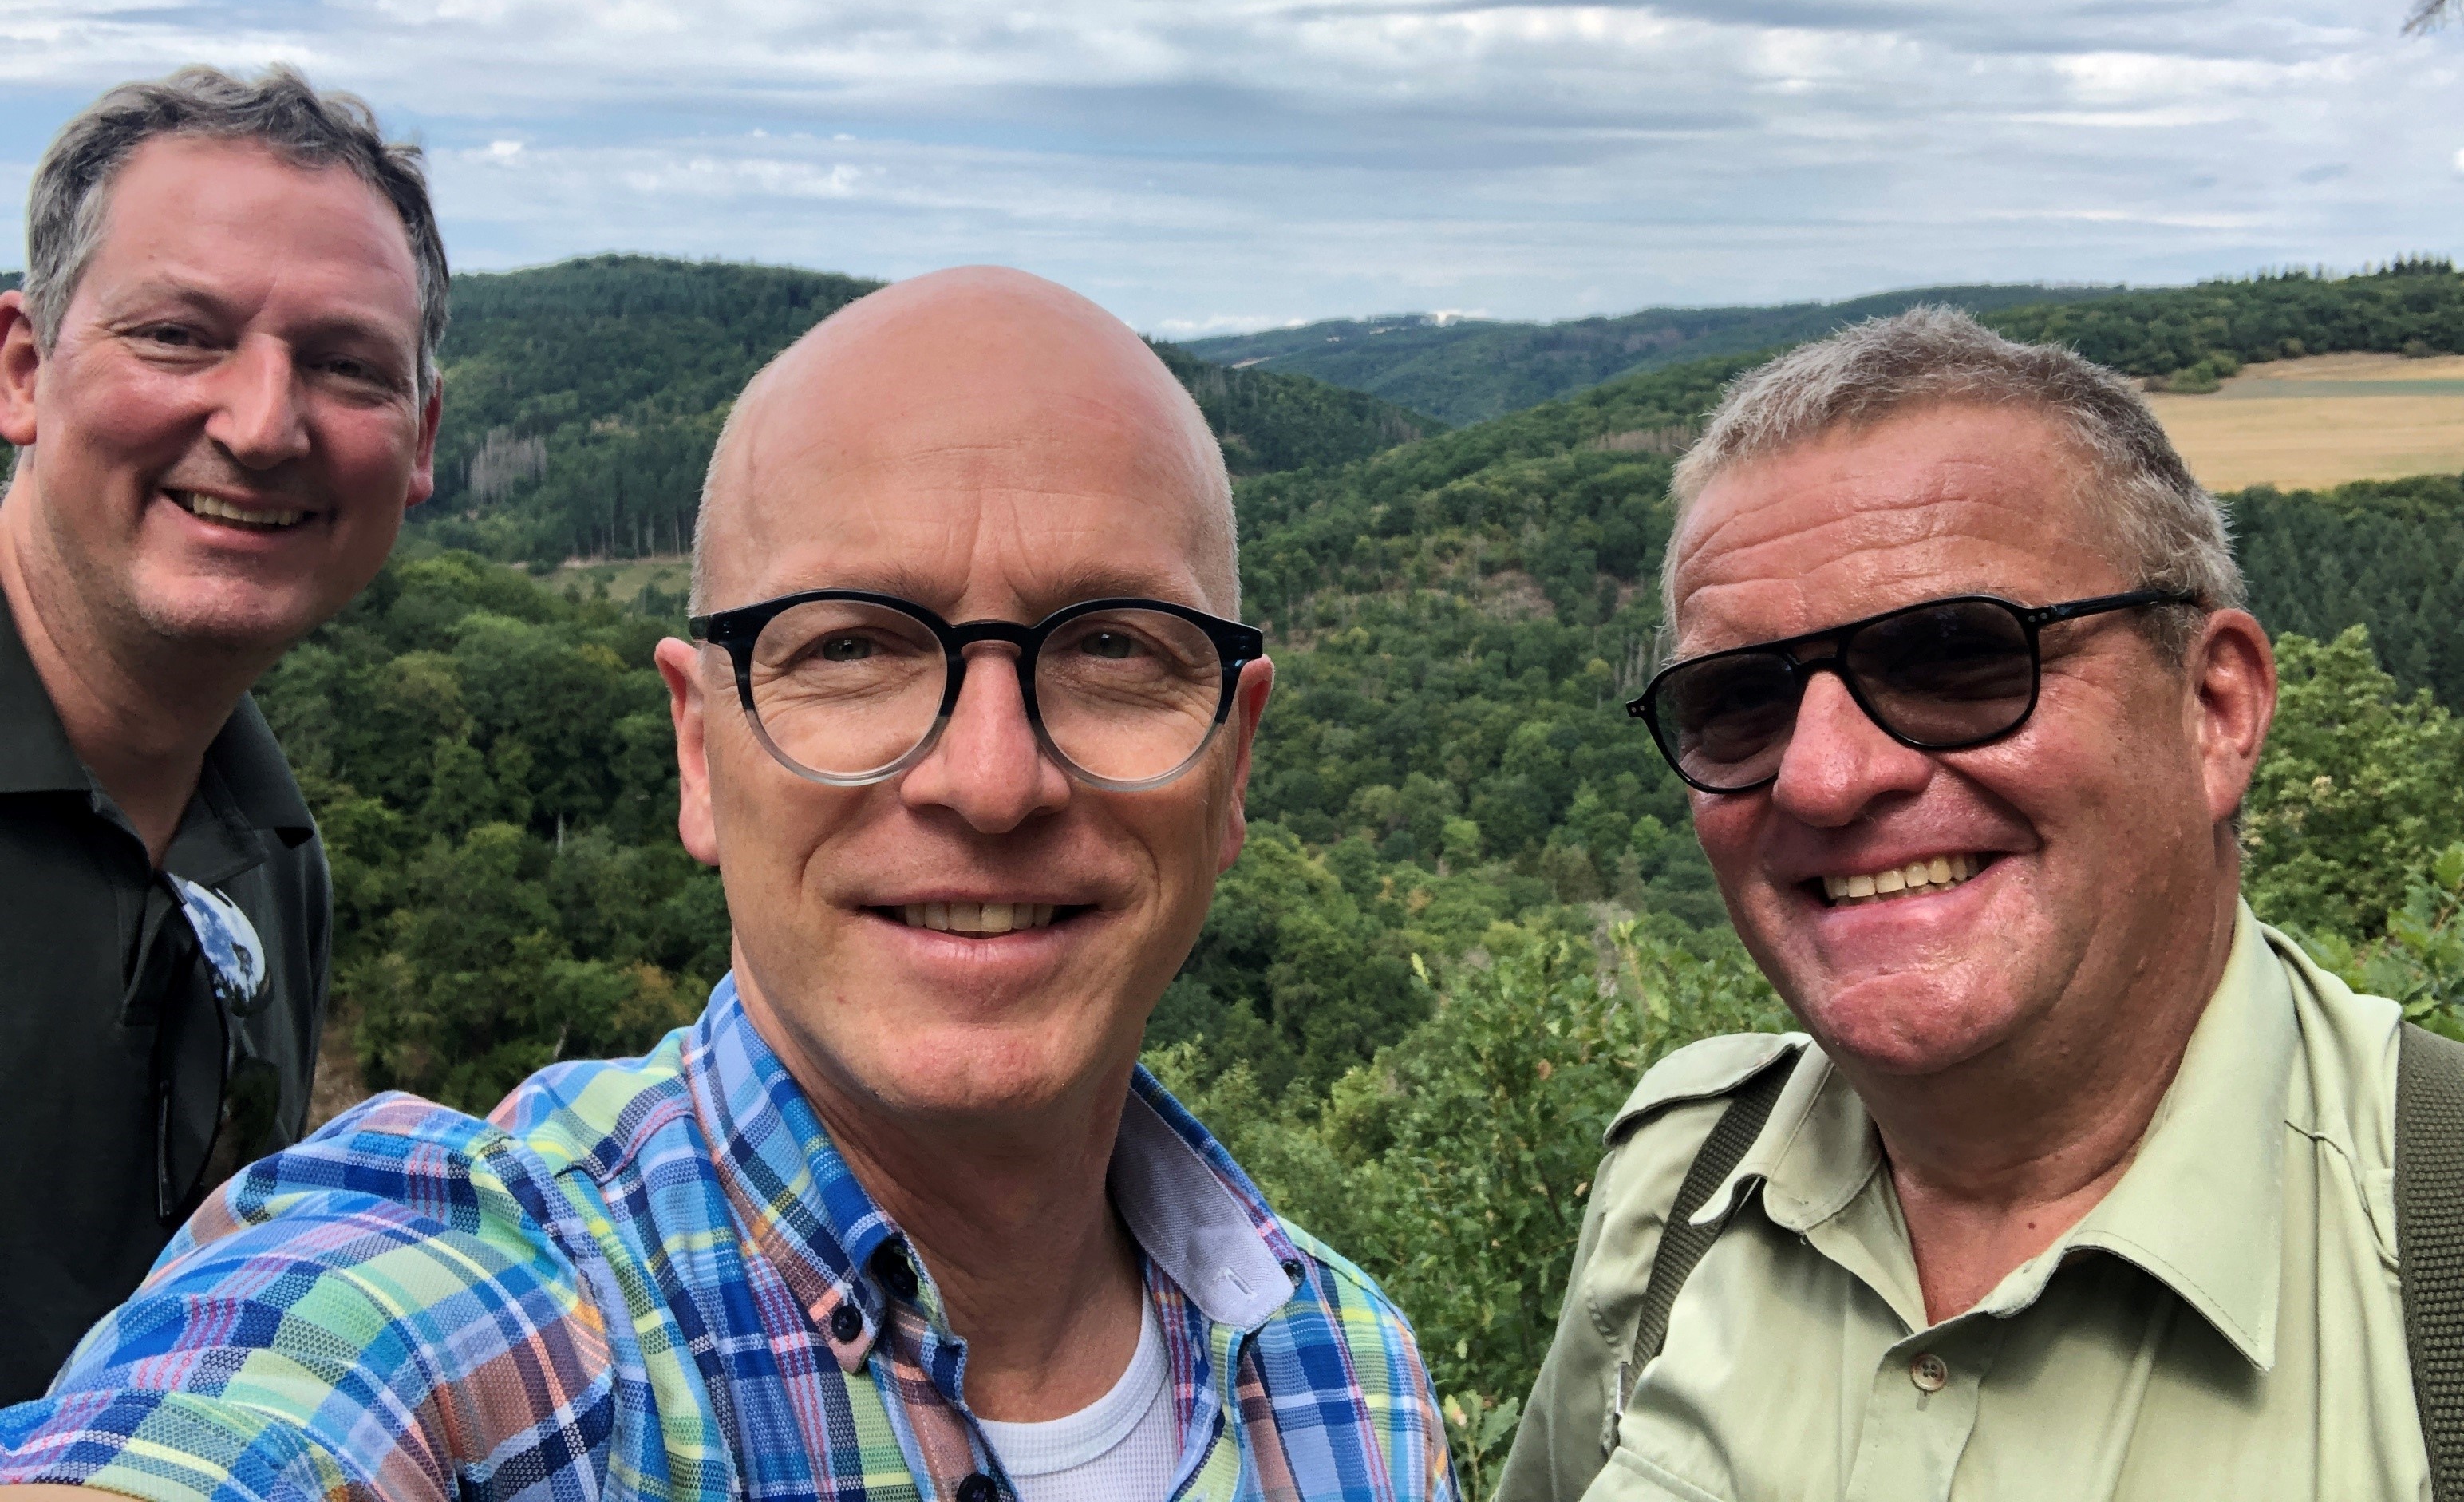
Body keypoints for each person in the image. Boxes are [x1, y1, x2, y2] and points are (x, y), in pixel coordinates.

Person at [0, 267, 1454, 1502]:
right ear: (701, 750)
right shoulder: (467, 1324)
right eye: (852, 650)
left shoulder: (1356, 1384)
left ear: (1236, 758)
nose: (994, 781)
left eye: (1116, 650)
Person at [1500, 306, 2430, 1500]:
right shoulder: (1675, 1183)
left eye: (1955, 655)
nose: (1825, 776)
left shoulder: (2431, 1255)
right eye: (1738, 700)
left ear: (2215, 710)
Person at [0, 66, 445, 1403]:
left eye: (345, 365)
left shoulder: (268, 854)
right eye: (180, 336)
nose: (262, 425)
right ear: (24, 371)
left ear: (420, 446)